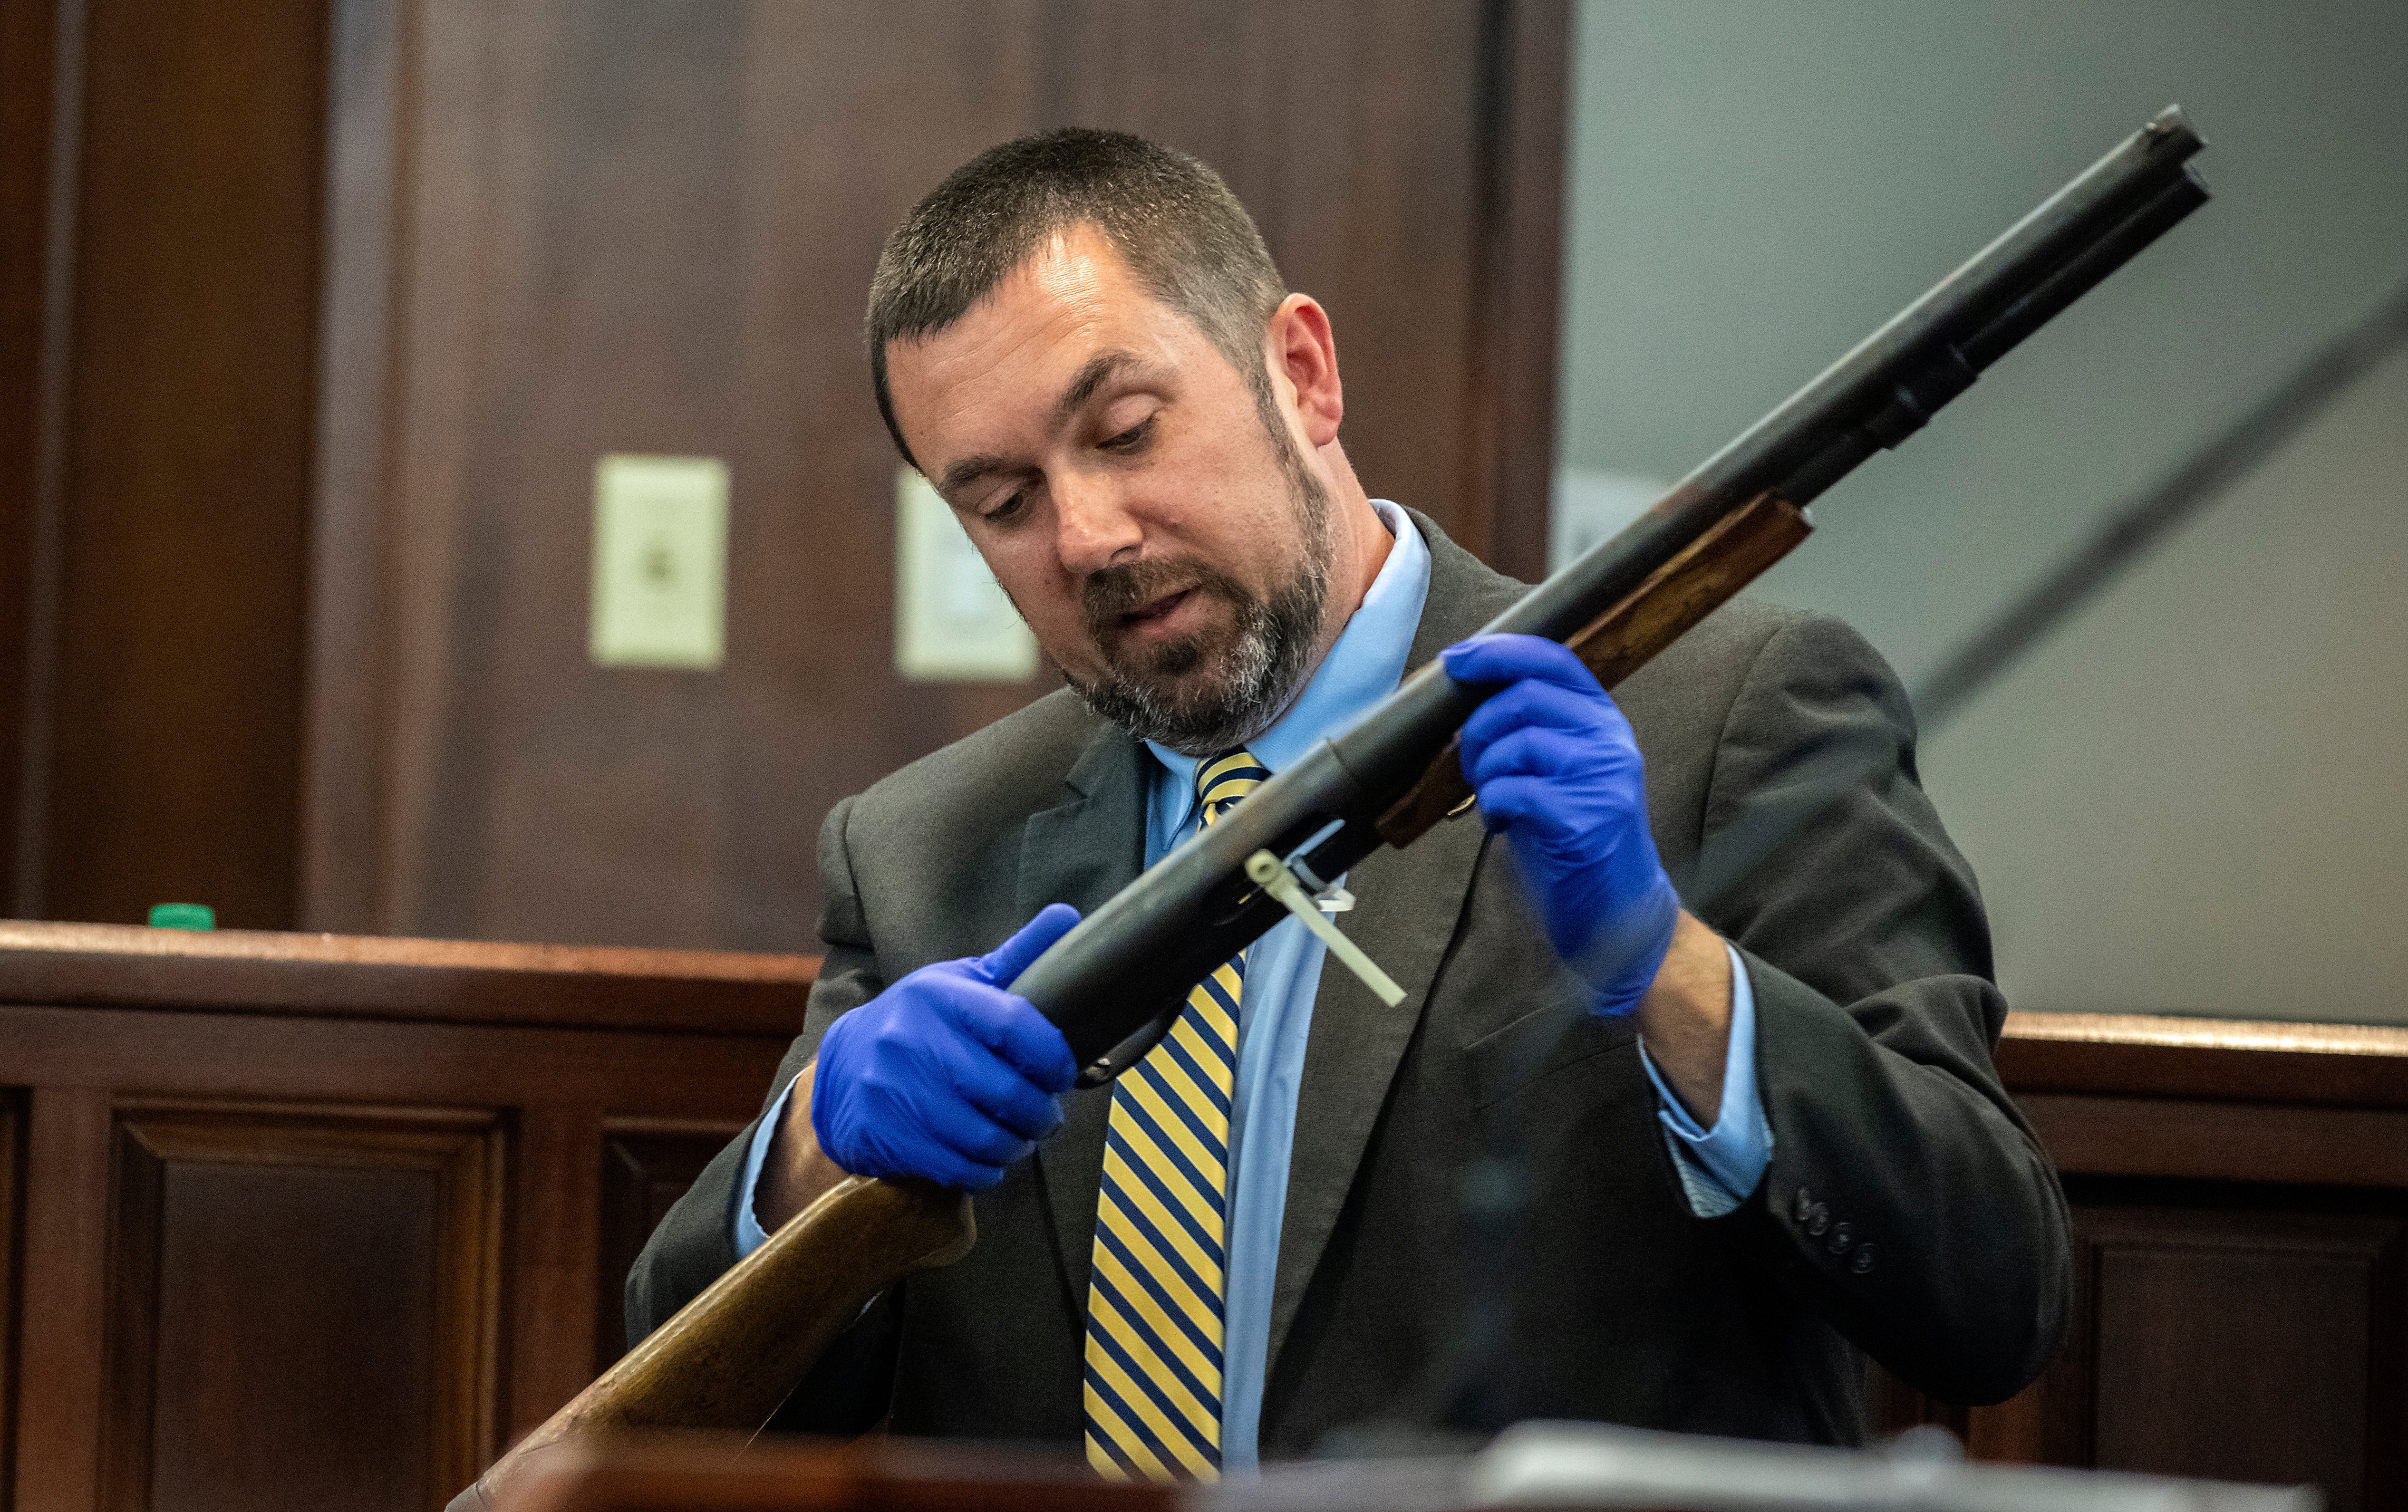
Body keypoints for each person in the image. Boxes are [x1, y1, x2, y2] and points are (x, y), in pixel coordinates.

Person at [628, 128, 2070, 1482]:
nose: (1086, 535)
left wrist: (1668, 973)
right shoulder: (917, 849)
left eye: (1125, 430)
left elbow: (1990, 1295)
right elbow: (671, 1412)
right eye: (1001, 501)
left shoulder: (1726, 713)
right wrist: (813, 1155)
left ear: (1301, 374)